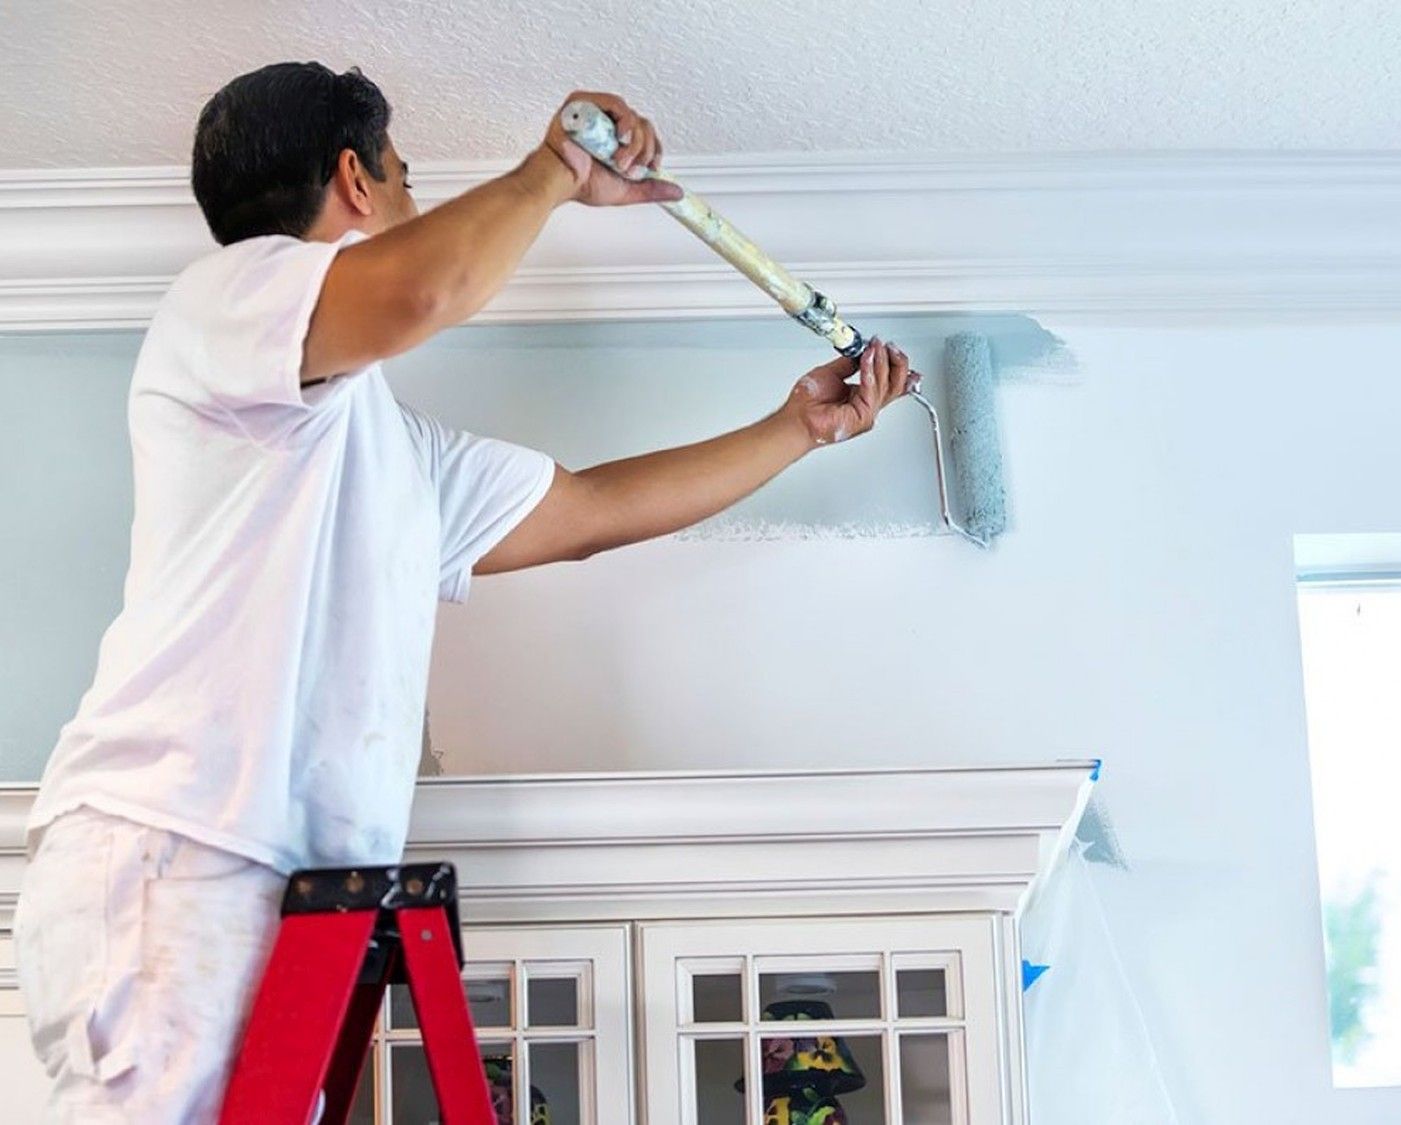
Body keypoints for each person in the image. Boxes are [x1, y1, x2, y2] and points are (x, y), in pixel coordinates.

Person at [12, 61, 916, 1122]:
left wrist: (798, 431)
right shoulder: (224, 301)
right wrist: (553, 171)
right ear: (354, 180)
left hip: (290, 889)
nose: (412, 204)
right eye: (404, 178)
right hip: (178, 846)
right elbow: (421, 289)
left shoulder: (388, 452)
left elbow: (585, 512)